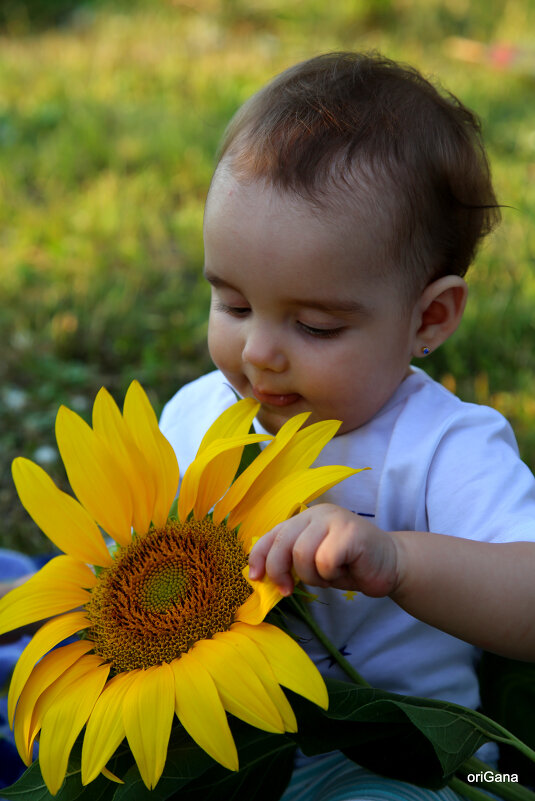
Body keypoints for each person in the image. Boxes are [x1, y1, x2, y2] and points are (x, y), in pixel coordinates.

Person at [160, 51, 535, 801]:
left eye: (315, 324)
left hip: (400, 761)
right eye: (232, 305)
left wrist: (397, 560)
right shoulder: (196, 415)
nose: (259, 350)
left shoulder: (443, 446)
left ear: (427, 317)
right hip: (219, 743)